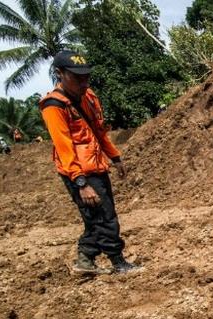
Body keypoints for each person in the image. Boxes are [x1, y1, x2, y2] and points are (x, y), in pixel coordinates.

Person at [39, 50, 142, 274]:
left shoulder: (87, 96)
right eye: (77, 78)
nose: (83, 82)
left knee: (95, 217)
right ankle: (118, 262)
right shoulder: (54, 106)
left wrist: (115, 157)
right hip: (79, 172)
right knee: (105, 216)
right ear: (60, 73)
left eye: (86, 77)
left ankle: (85, 260)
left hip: (96, 165)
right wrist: (81, 183)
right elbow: (63, 146)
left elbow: (98, 131)